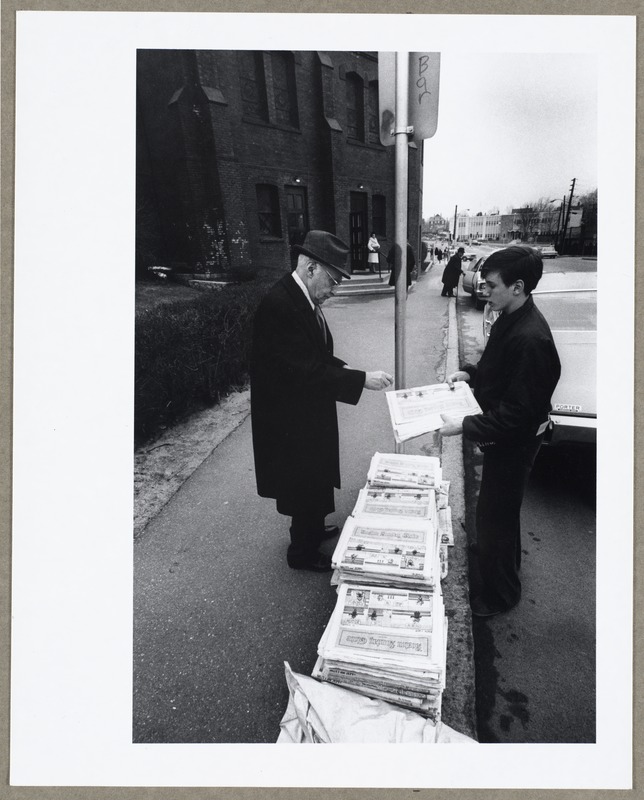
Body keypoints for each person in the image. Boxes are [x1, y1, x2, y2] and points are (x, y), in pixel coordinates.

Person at [250, 230, 394, 573]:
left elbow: (317, 356)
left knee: (314, 475)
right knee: (303, 481)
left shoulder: (303, 299)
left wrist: (356, 373)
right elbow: (304, 371)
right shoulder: (281, 305)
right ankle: (301, 553)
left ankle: (314, 528)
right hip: (290, 419)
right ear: (311, 268)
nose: (335, 289)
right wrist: (361, 380)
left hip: (306, 411)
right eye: (333, 280)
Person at [439, 246, 561, 618]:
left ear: (518, 287)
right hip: (509, 439)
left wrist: (464, 425)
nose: (484, 290)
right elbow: (499, 369)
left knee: (494, 516)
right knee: (501, 513)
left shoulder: (530, 338)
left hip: (516, 443)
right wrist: (470, 374)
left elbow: (517, 415)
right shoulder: (512, 314)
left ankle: (501, 594)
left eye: (491, 285)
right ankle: (500, 563)